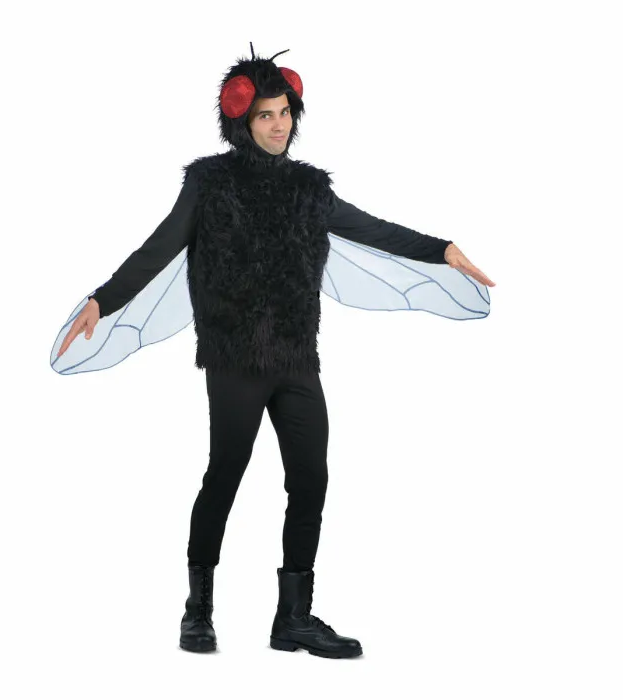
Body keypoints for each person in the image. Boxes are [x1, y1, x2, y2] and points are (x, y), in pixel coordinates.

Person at [54, 43, 495, 659]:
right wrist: (104, 300)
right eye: (266, 114)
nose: (279, 124)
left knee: (311, 479)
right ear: (243, 121)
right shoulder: (209, 184)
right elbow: (160, 247)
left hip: (295, 360)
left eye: (285, 112)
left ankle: (294, 617)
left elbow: (373, 229)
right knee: (225, 475)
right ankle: (198, 608)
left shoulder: (309, 190)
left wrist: (441, 249)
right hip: (234, 360)